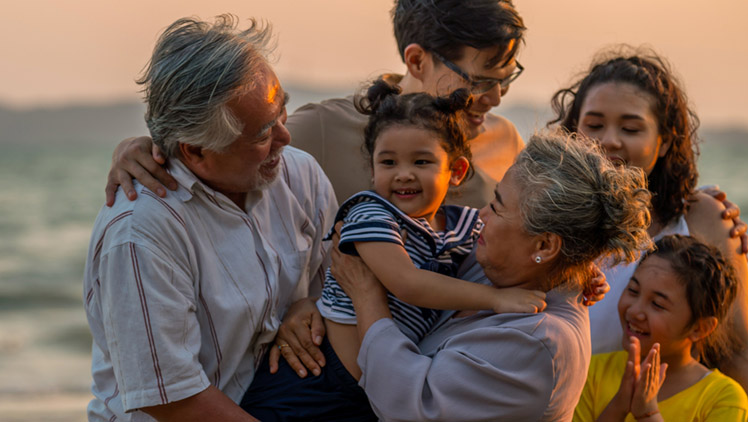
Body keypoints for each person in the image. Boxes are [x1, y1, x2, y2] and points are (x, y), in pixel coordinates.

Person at [239, 82, 545, 421]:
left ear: (455, 172)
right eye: (388, 162)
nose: (403, 174)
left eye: (421, 161)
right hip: (315, 381)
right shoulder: (371, 215)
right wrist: (495, 300)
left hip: (372, 395)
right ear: (372, 170)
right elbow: (406, 282)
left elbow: (517, 239)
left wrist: (580, 274)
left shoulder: (464, 225)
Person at [82, 16, 336, 421]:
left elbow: (342, 284)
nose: (286, 138)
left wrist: (309, 305)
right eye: (263, 133)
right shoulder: (141, 231)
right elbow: (171, 397)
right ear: (196, 151)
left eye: (282, 111)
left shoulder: (299, 173)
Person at [325, 131, 652, 421]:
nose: (480, 214)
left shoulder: (537, 344)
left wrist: (365, 295)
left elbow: (410, 405)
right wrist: (312, 310)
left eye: (497, 207)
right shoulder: (510, 268)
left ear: (544, 244)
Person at [104, 0, 528, 208]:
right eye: (480, 82)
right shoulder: (324, 129)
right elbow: (222, 150)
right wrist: (143, 147)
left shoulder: (505, 140)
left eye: (505, 82)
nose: (492, 100)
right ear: (416, 58)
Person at [549, 47, 748, 421]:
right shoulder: (546, 215)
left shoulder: (701, 218)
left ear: (665, 140)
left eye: (631, 128)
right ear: (574, 132)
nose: (610, 141)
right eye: (594, 124)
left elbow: (739, 351)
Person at [573, 234, 748, 422]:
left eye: (657, 304)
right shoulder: (591, 372)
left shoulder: (722, 398)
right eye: (633, 290)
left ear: (700, 328)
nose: (634, 311)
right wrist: (619, 404)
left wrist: (647, 413)